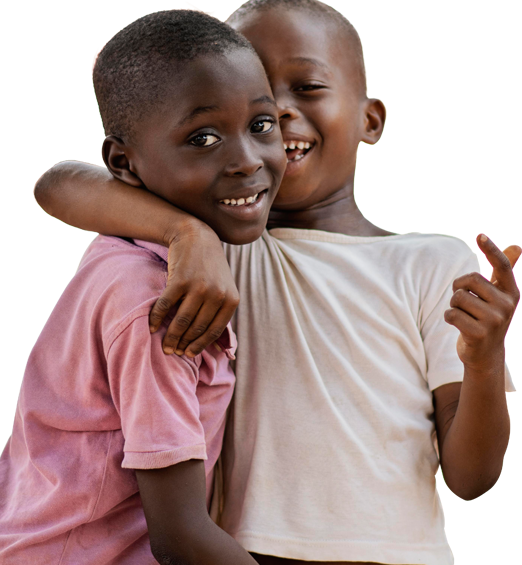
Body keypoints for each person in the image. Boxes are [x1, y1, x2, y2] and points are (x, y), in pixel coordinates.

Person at [33, 1, 520, 564]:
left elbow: (470, 478)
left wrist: (484, 362)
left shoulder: (431, 260)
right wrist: (186, 233)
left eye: (306, 88)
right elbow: (57, 185)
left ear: (370, 119)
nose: (280, 112)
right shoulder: (223, 249)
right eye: (257, 94)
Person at [0, 8, 287, 565]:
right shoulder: (159, 306)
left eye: (261, 125)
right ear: (123, 163)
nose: (246, 161)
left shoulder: (134, 243)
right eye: (203, 138)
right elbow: (180, 536)